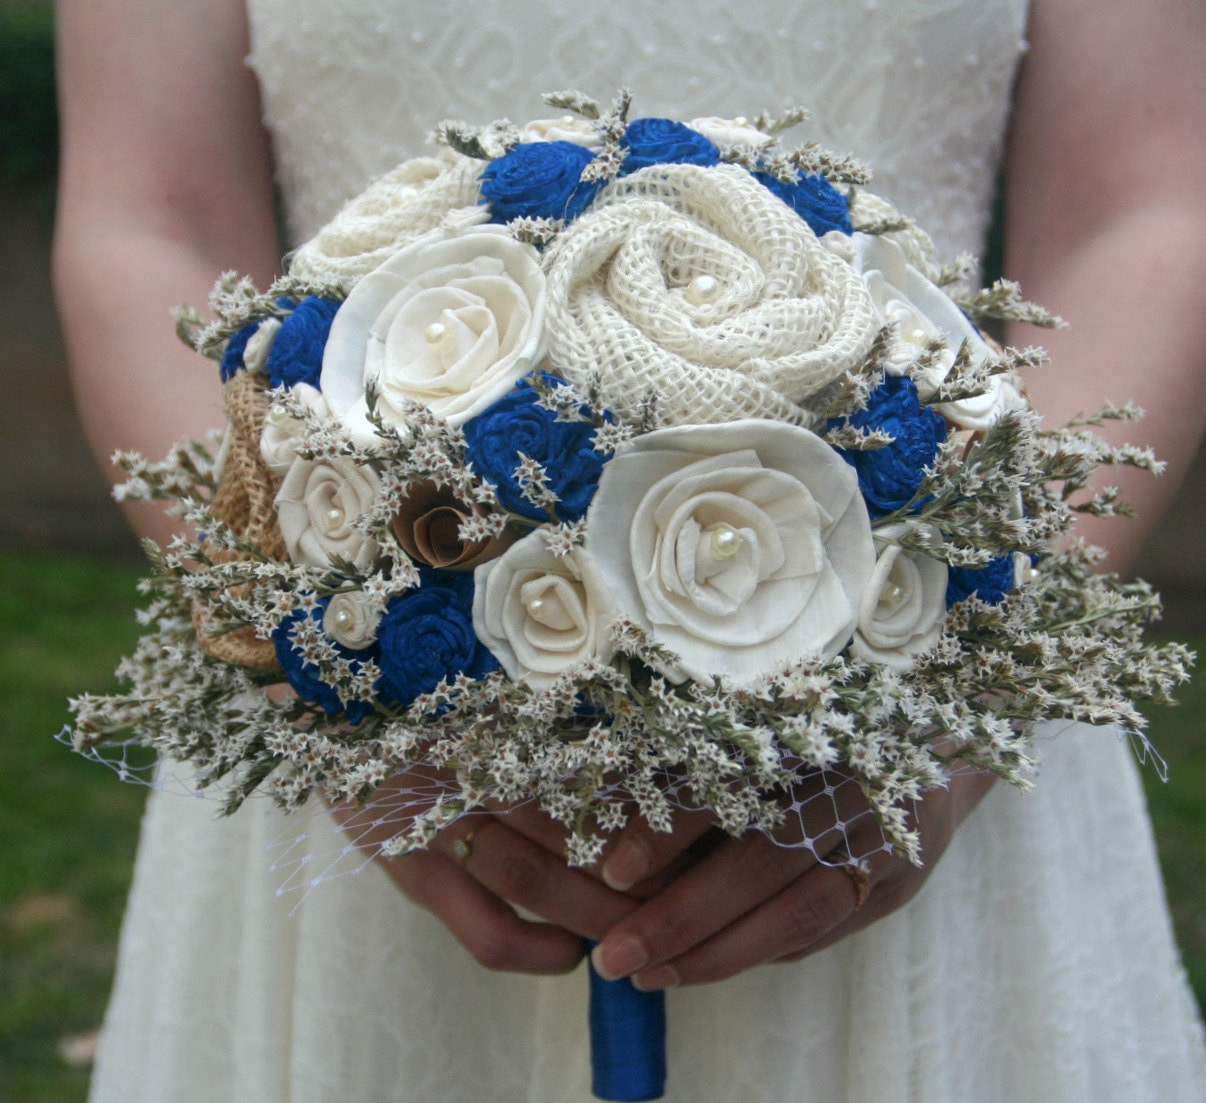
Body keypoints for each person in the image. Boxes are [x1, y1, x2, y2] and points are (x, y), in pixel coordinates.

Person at [55, 0, 1206, 1099]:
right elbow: (150, 224)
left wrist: (965, 682)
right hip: (369, 738)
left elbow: (1145, 212)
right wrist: (326, 662)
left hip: (912, 678)